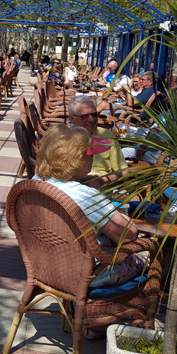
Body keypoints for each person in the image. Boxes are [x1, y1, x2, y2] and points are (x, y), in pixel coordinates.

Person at [33, 124, 146, 332]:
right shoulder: (86, 196)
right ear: (77, 159)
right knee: (146, 256)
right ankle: (106, 319)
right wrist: (104, 199)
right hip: (84, 274)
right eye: (89, 155)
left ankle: (94, 321)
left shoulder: (34, 185)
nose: (93, 159)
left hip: (44, 267)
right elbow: (129, 235)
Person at [67, 95, 128, 188]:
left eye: (94, 115)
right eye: (84, 116)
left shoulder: (106, 135)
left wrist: (103, 179)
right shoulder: (64, 137)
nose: (91, 119)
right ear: (71, 118)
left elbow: (123, 171)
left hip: (103, 188)